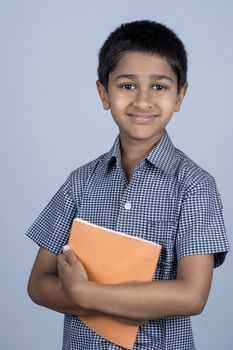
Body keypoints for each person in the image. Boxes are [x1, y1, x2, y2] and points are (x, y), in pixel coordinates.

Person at [26, 20, 229, 350]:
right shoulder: (80, 182)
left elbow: (191, 295)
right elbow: (38, 284)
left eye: (160, 87)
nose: (143, 100)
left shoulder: (195, 185)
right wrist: (124, 304)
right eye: (127, 85)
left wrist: (84, 293)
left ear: (180, 95)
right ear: (104, 93)